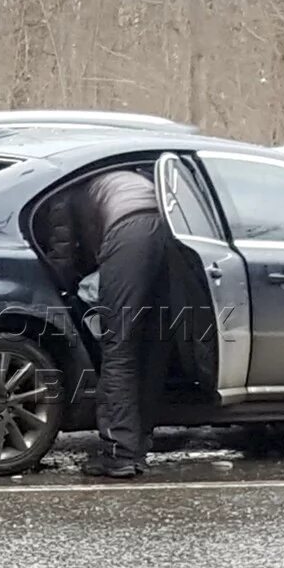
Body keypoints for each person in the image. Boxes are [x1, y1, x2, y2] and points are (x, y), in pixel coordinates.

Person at [74, 163, 168, 479]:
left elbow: (69, 248)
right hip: (173, 231)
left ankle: (119, 454)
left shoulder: (74, 188)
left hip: (129, 236)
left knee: (120, 348)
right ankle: (140, 442)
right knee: (154, 344)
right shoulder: (137, 176)